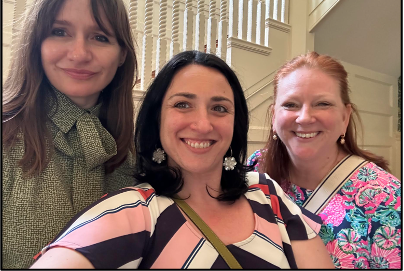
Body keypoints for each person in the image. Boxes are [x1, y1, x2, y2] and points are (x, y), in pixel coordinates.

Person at [30, 51, 334, 269]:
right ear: (156, 118)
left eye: (219, 108)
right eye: (183, 104)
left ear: (235, 124)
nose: (202, 124)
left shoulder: (266, 192)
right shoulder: (135, 212)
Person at [2, 0, 138, 269]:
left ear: (122, 54)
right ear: (35, 41)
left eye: (100, 37)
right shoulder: (6, 136)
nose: (79, 54)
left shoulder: (140, 146)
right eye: (60, 32)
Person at [247, 51, 401, 269]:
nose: (305, 117)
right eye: (290, 104)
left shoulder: (387, 200)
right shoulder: (255, 168)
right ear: (274, 116)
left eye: (323, 104)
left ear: (345, 116)